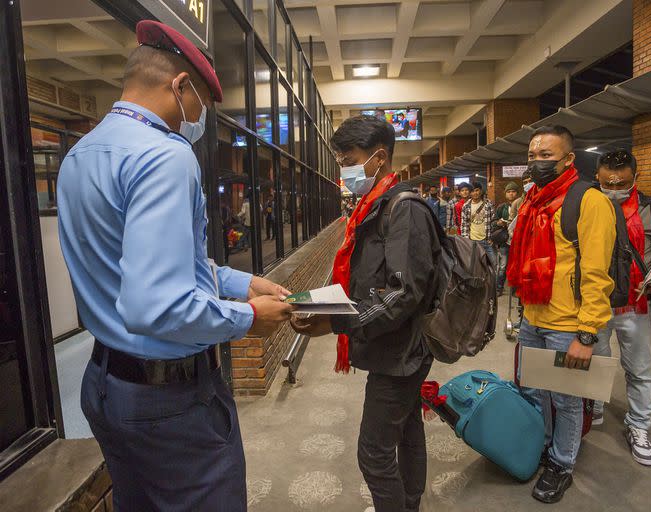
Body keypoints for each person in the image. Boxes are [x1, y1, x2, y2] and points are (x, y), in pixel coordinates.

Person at [56, 21, 294, 512]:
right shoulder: (165, 156)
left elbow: (164, 265)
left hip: (106, 384)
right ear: (180, 87)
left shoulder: (80, 155)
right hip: (169, 403)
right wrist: (249, 318)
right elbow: (158, 305)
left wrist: (242, 280)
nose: (200, 118)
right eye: (202, 104)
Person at [290, 115, 441, 512]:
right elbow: (371, 280)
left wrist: (337, 321)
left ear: (378, 158)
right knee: (407, 431)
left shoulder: (403, 210)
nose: (344, 170)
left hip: (401, 355)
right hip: (392, 348)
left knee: (373, 454)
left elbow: (404, 292)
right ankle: (408, 503)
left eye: (348, 161)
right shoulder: (374, 206)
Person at [507, 125, 615, 504]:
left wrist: (587, 335)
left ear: (569, 159)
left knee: (567, 398)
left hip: (567, 324)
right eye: (532, 156)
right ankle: (545, 445)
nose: (536, 163)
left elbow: (597, 274)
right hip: (533, 318)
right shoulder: (533, 201)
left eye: (546, 156)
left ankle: (562, 464)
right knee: (533, 391)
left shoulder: (588, 201)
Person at [592, 150, 651, 466]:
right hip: (595, 304)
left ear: (635, 177)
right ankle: (591, 407)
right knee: (594, 361)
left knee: (639, 369)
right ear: (598, 178)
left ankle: (639, 426)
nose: (615, 188)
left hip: (636, 302)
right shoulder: (588, 206)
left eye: (622, 183)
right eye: (608, 183)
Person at [493, 182, 522, 294]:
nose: (511, 194)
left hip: (518, 240)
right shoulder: (502, 207)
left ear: (517, 193)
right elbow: (494, 222)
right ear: (505, 194)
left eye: (513, 191)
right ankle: (499, 287)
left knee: (517, 266)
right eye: (509, 192)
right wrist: (499, 223)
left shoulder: (522, 205)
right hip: (505, 241)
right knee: (503, 266)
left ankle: (515, 289)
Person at [460, 182, 496, 265]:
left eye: (477, 190)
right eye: (472, 191)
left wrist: (492, 237)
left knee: (494, 264)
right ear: (470, 192)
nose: (475, 193)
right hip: (473, 242)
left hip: (487, 241)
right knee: (476, 266)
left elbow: (493, 221)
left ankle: (492, 278)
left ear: (481, 191)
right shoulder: (466, 206)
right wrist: (467, 242)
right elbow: (464, 225)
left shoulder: (488, 204)